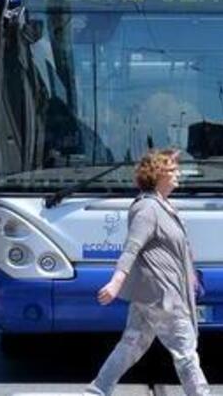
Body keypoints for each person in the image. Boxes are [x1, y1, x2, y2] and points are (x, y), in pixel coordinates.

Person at [87, 150, 210, 396]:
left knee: (131, 344)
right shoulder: (147, 208)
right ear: (157, 174)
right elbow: (131, 249)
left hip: (154, 293)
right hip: (162, 295)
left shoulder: (163, 205)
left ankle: (97, 391)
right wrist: (115, 283)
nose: (178, 174)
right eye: (172, 169)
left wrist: (192, 277)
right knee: (185, 350)